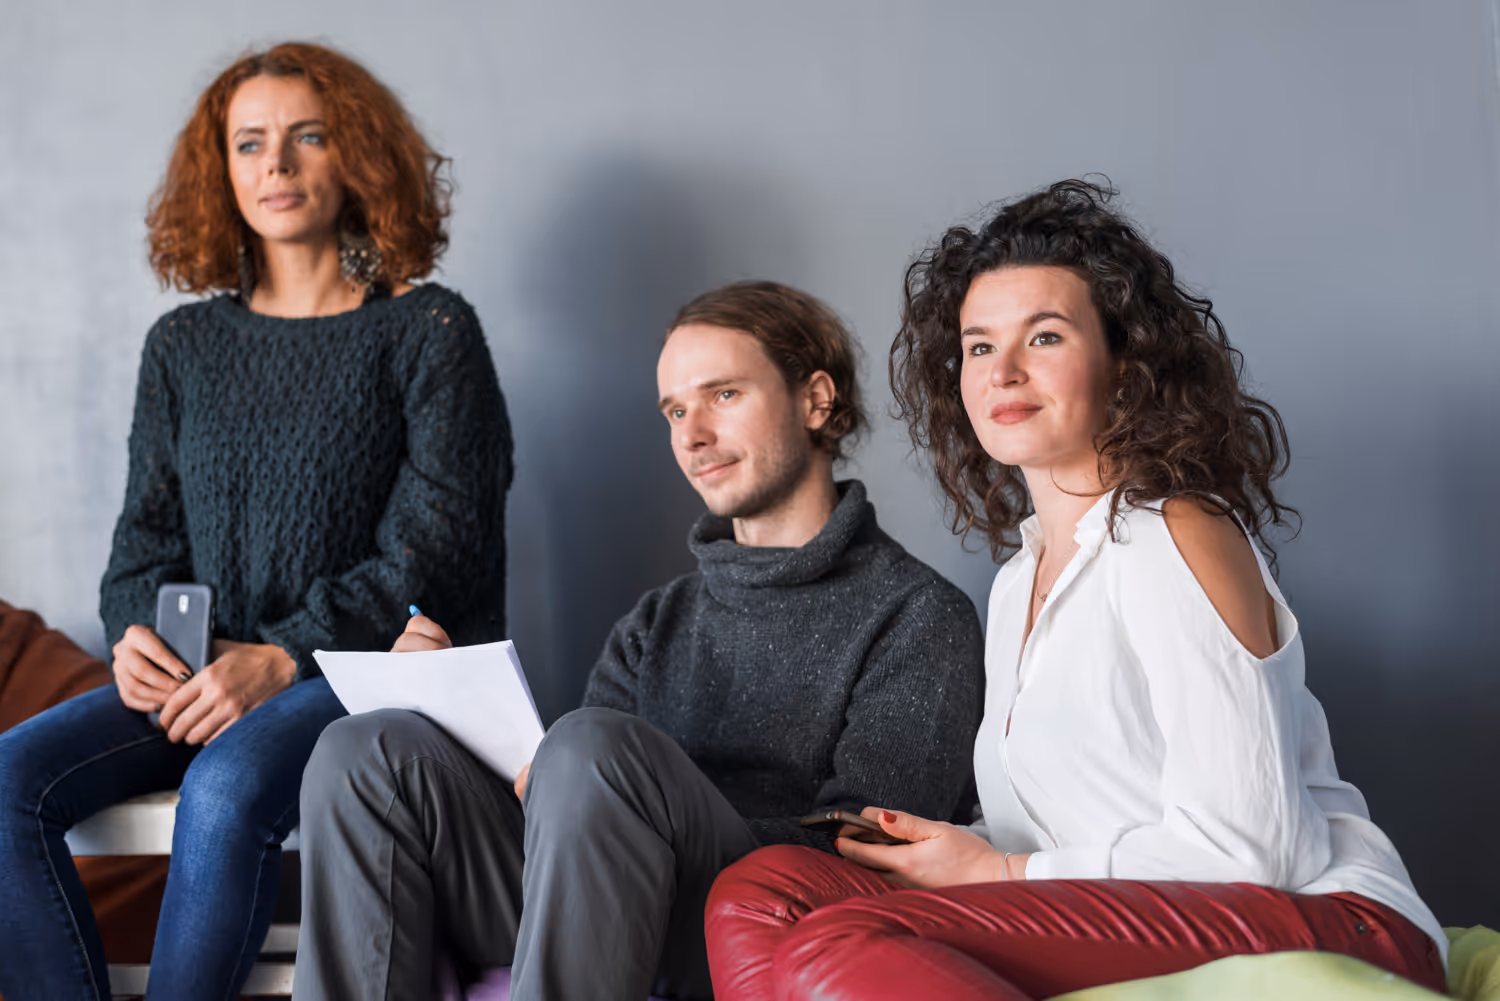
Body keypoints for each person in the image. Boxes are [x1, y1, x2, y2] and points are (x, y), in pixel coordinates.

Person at [703, 180, 1447, 1001]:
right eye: (980, 347)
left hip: (1319, 915)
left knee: (840, 942)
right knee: (763, 892)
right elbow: (1069, 823)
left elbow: (1253, 850)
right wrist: (954, 849)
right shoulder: (1020, 578)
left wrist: (1001, 871)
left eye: (1045, 336)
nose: (1004, 371)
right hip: (1138, 908)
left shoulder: (1175, 534)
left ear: (1127, 369)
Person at [292, 280, 985, 1001]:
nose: (692, 435)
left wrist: (625, 799)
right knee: (364, 748)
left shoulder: (919, 615)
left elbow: (868, 855)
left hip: (759, 921)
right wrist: (459, 720)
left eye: (723, 395)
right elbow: (568, 814)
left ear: (816, 399)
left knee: (592, 747)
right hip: (583, 909)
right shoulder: (657, 621)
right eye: (676, 410)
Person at [0, 42, 512, 1001]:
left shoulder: (429, 332)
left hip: (357, 676)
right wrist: (135, 641)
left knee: (227, 789)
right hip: (204, 675)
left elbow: (435, 551)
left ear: (355, 156)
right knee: (3, 781)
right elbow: (140, 545)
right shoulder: (183, 344)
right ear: (221, 170)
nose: (275, 165)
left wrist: (279, 656)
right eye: (249, 144)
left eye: (306, 137)